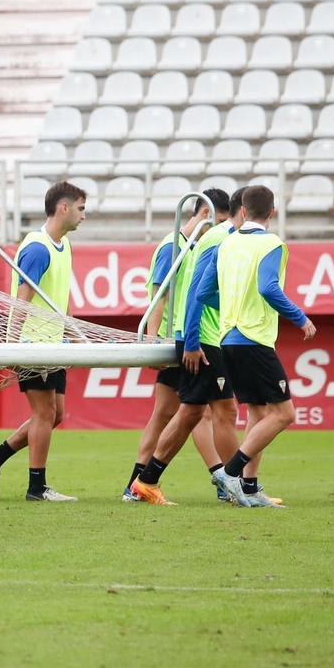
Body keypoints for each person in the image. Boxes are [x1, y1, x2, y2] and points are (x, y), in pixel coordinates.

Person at [175, 185, 313, 508]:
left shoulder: (227, 243)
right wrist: (299, 317)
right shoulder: (271, 243)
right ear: (272, 213)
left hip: (227, 338)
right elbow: (268, 288)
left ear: (243, 211)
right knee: (284, 413)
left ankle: (249, 487)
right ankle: (231, 473)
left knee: (259, 411)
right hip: (254, 338)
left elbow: (203, 293)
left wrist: (231, 307)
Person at [131, 188, 257, 505]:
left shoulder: (196, 244)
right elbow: (161, 295)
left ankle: (142, 482)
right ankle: (230, 483)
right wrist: (155, 339)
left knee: (185, 413)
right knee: (198, 413)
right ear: (205, 215)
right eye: (221, 220)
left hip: (188, 335)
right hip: (188, 337)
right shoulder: (175, 246)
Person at [0, 180, 85, 502]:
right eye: (80, 208)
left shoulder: (64, 245)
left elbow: (59, 300)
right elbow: (20, 302)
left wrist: (73, 335)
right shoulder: (38, 248)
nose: (83, 215)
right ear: (63, 208)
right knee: (44, 413)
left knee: (56, 414)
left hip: (53, 344)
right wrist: (12, 345)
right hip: (33, 343)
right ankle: (37, 488)